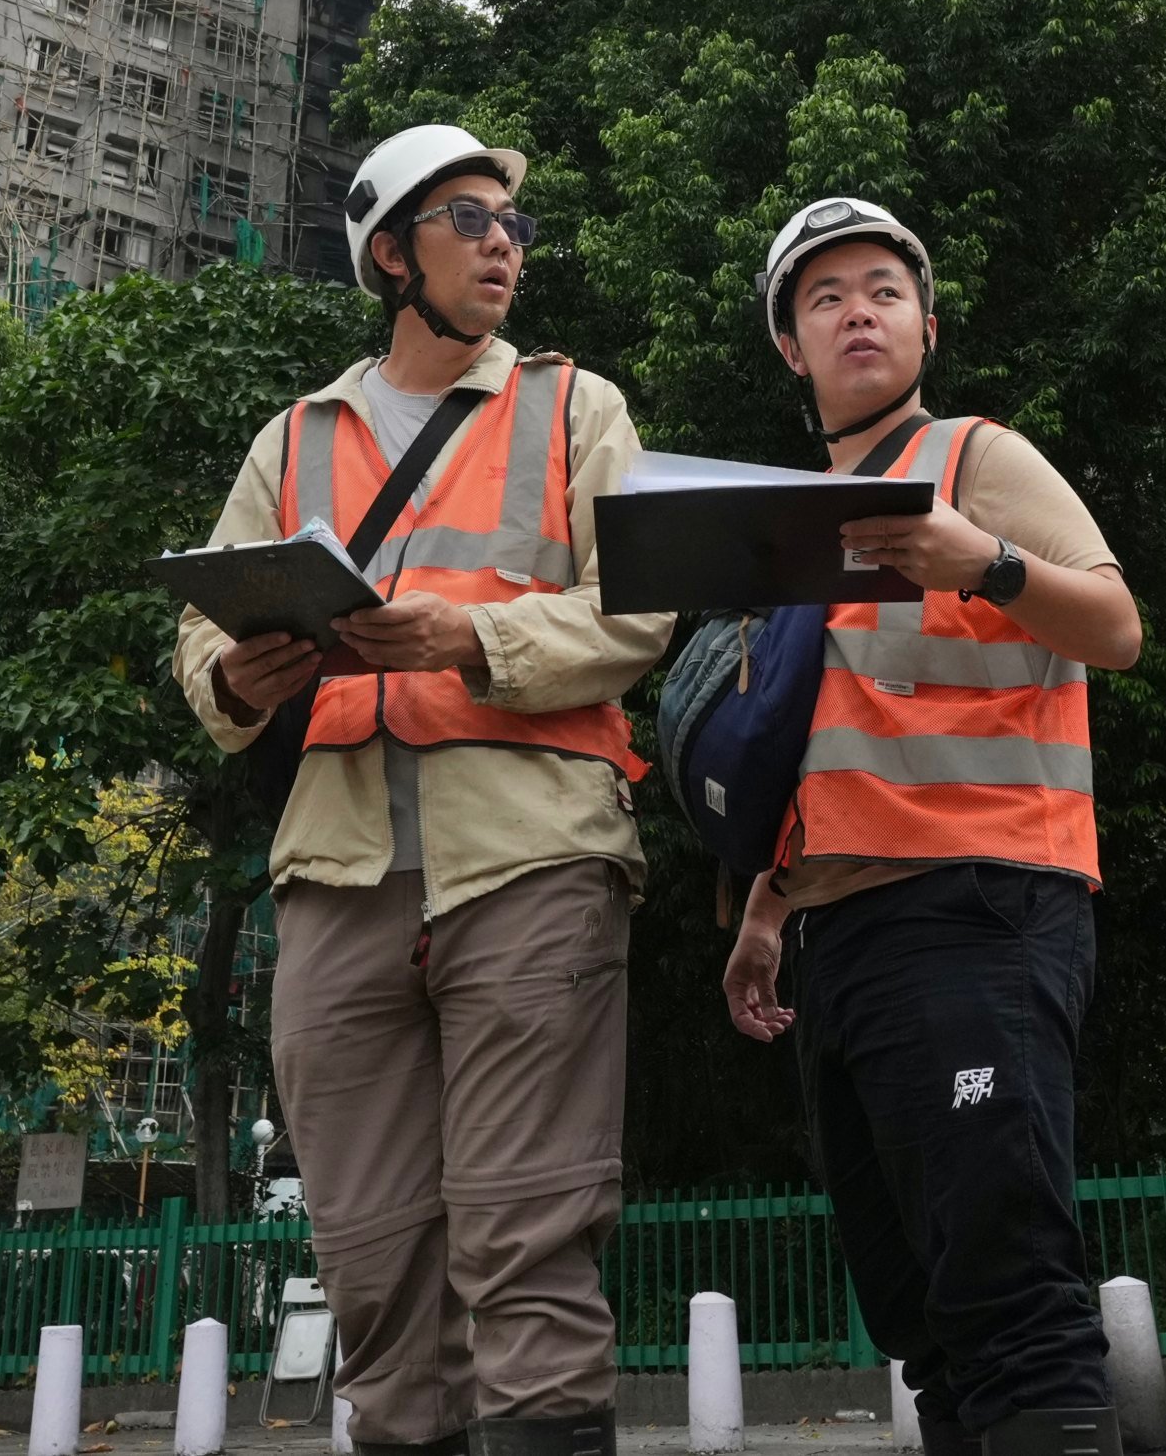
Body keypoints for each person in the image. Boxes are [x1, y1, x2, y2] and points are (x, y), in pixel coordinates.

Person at [176, 124, 663, 1456]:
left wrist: (472, 639)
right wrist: (244, 675)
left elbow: (641, 605)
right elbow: (198, 639)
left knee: (524, 1226)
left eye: (511, 221)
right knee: (371, 1256)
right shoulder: (296, 434)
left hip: (530, 853)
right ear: (389, 252)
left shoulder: (576, 405)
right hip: (336, 870)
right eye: (467, 216)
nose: (503, 239)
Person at [720, 196, 1145, 1456]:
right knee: (924, 1321)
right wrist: (760, 915)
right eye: (825, 297)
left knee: (1007, 1287)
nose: (859, 310)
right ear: (793, 347)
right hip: (840, 940)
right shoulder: (795, 515)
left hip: (980, 906)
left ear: (927, 327)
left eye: (883, 291)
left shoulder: (976, 459)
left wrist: (986, 565)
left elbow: (1117, 631)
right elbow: (823, 736)